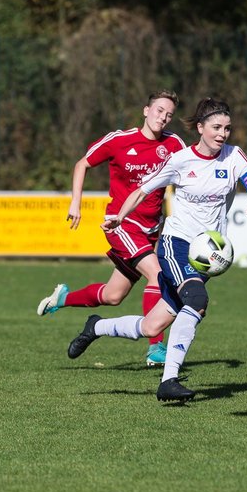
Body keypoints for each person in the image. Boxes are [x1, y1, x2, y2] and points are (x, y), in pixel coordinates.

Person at [66, 97, 247, 402]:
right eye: (216, 127)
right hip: (176, 245)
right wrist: (120, 216)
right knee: (197, 299)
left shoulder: (234, 157)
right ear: (200, 128)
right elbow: (141, 190)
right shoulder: (180, 161)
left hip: (207, 256)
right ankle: (169, 381)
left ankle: (97, 326)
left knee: (153, 326)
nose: (222, 134)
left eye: (227, 128)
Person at [36, 90, 185, 366]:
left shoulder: (174, 144)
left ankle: (63, 299)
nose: (163, 117)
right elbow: (82, 164)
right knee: (158, 275)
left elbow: (189, 174)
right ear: (145, 110)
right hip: (121, 224)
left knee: (113, 295)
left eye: (169, 114)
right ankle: (155, 347)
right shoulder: (119, 140)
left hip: (151, 229)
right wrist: (75, 203)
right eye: (159, 110)